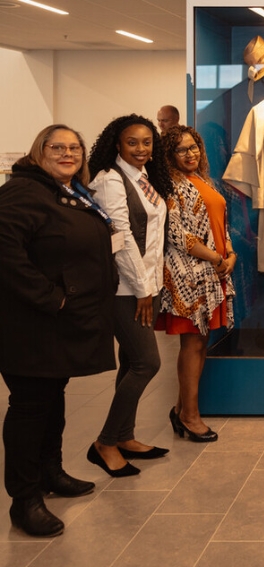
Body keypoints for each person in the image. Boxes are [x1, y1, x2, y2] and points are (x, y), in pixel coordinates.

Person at [0, 125, 117, 536]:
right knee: (30, 408)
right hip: (31, 325)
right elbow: (5, 253)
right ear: (40, 151)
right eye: (58, 147)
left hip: (61, 325)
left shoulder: (68, 191)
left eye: (74, 148)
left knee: (52, 400)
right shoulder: (23, 192)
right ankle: (24, 499)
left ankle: (51, 473)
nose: (68, 153)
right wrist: (53, 298)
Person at [87, 114, 173, 477]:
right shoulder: (110, 180)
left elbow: (152, 237)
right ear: (116, 145)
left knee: (131, 361)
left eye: (147, 142)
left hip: (148, 285)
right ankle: (105, 442)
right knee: (146, 363)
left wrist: (153, 285)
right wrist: (141, 290)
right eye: (132, 143)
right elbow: (120, 240)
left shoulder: (146, 179)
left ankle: (124, 436)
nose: (141, 149)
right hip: (125, 289)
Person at [158, 125, 237, 443]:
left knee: (201, 343)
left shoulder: (203, 181)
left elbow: (221, 223)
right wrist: (217, 259)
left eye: (194, 148)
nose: (190, 154)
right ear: (169, 156)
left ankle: (181, 411)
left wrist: (229, 254)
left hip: (213, 272)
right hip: (189, 276)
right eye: (182, 150)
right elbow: (178, 236)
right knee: (192, 344)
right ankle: (190, 417)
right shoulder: (170, 186)